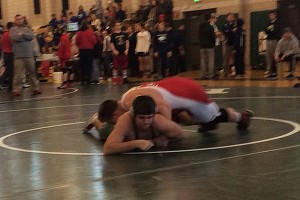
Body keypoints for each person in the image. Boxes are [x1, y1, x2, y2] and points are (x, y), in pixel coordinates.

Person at [83, 77, 253, 137]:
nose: (118, 124)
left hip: (189, 92)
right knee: (182, 118)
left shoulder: (130, 103)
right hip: (175, 86)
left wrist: (165, 132)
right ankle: (204, 122)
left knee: (211, 116)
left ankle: (240, 117)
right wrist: (94, 121)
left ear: (115, 115)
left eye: (114, 122)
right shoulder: (125, 99)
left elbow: (163, 106)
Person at [103, 95, 183, 155]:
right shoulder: (125, 121)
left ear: (154, 114)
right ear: (133, 114)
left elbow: (179, 134)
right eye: (141, 118)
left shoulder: (158, 120)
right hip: (113, 130)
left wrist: (163, 139)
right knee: (103, 131)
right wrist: (135, 144)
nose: (146, 121)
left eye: (149, 117)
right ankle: (96, 120)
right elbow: (107, 148)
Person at [10, 14, 41, 96]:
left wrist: (22, 35)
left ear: (23, 20)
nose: (19, 20)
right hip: (18, 56)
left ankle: (35, 88)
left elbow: (31, 37)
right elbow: (14, 38)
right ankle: (16, 90)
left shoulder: (27, 28)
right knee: (18, 75)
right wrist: (24, 36)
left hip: (29, 54)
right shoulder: (13, 30)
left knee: (32, 73)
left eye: (20, 19)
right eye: (17, 19)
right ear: (15, 21)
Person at [198, 13, 216, 79]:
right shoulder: (210, 27)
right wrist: (213, 44)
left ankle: (203, 75)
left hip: (202, 46)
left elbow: (199, 36)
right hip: (210, 46)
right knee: (210, 61)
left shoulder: (200, 27)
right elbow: (212, 37)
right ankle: (211, 75)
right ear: (209, 19)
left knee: (203, 61)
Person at [264, 10, 281, 76]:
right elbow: (265, 31)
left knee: (275, 55)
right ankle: (269, 69)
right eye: (270, 15)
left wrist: (272, 31)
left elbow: (277, 31)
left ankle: (275, 70)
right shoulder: (268, 23)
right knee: (268, 55)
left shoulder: (278, 23)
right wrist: (270, 30)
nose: (271, 16)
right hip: (269, 40)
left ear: (275, 15)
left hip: (275, 40)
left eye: (272, 15)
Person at [0, 22, 14, 91]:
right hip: (10, 54)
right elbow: (12, 44)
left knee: (6, 70)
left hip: (5, 54)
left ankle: (1, 83)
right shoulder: (10, 34)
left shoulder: (4, 34)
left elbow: (1, 44)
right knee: (11, 71)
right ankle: (11, 87)